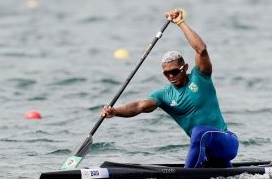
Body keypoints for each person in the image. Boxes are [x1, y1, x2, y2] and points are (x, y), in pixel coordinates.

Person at [101, 9, 239, 168]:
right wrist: (115, 111)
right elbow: (139, 106)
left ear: (185, 67)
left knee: (199, 132)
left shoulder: (200, 77)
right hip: (208, 153)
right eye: (166, 73)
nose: (171, 76)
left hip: (226, 143)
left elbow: (201, 49)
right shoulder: (165, 95)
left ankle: (186, 174)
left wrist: (180, 23)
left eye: (174, 71)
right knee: (202, 141)